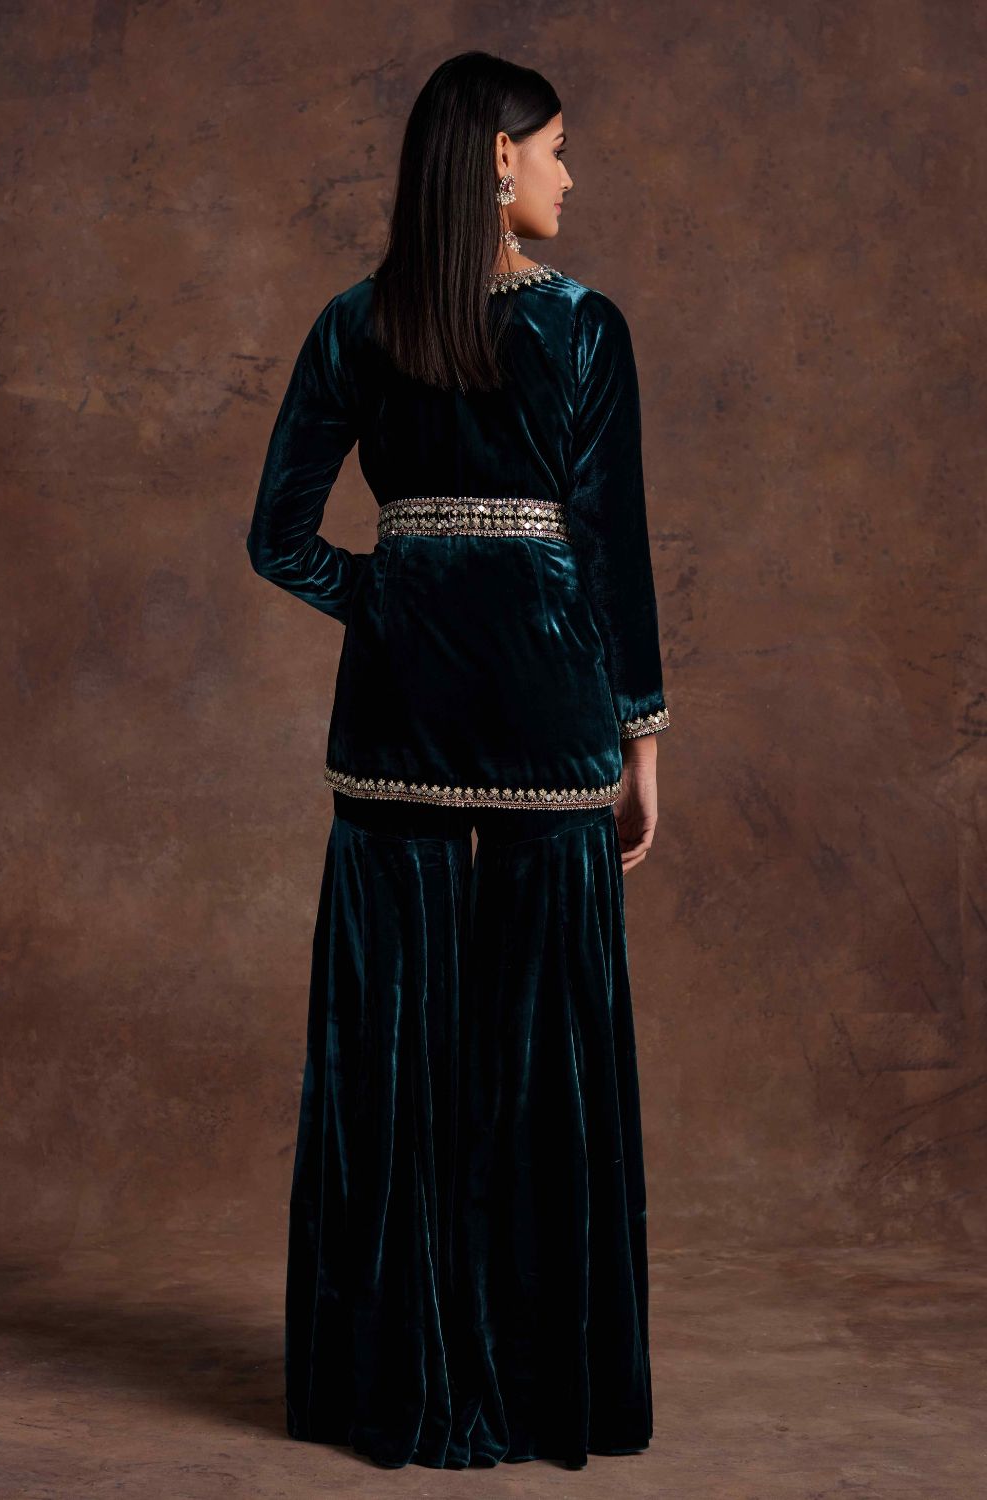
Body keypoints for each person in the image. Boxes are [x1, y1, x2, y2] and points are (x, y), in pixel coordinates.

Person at [246, 50, 671, 1472]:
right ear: (497, 156)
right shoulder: (584, 326)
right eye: (555, 148)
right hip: (551, 725)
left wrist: (396, 595)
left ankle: (393, 1385)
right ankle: (551, 1391)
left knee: (394, 1056)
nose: (568, 174)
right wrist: (642, 734)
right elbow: (609, 553)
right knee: (546, 1062)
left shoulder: (356, 322)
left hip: (398, 728)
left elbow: (279, 538)